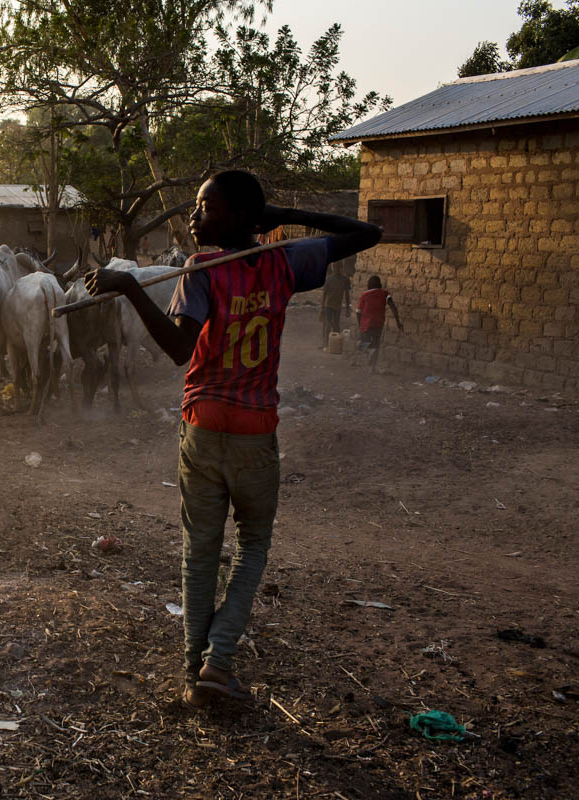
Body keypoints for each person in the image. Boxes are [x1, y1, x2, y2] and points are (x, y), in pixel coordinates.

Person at [84, 170, 381, 707]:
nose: (195, 218)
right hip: (254, 430)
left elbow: (178, 350)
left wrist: (130, 289)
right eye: (197, 208)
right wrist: (290, 224)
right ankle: (215, 665)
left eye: (207, 208)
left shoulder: (201, 271)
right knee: (253, 547)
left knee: (200, 553)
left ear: (244, 217)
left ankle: (197, 668)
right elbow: (366, 233)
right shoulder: (284, 262)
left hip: (201, 426)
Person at [356, 275, 402, 369]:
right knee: (376, 344)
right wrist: (398, 322)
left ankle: (369, 352)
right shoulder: (385, 293)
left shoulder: (365, 295)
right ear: (380, 284)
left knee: (361, 345)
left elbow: (358, 311)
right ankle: (372, 368)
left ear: (369, 284)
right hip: (379, 323)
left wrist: (359, 324)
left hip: (366, 323)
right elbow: (393, 307)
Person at [319, 262, 351, 349]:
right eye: (335, 268)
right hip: (328, 305)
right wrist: (322, 307)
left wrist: (348, 308)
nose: (336, 270)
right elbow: (324, 294)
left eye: (338, 268)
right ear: (333, 268)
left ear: (342, 268)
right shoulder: (329, 279)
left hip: (337, 306)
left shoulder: (345, 280)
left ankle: (335, 345)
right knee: (327, 324)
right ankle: (325, 344)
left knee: (336, 325)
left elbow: (347, 295)